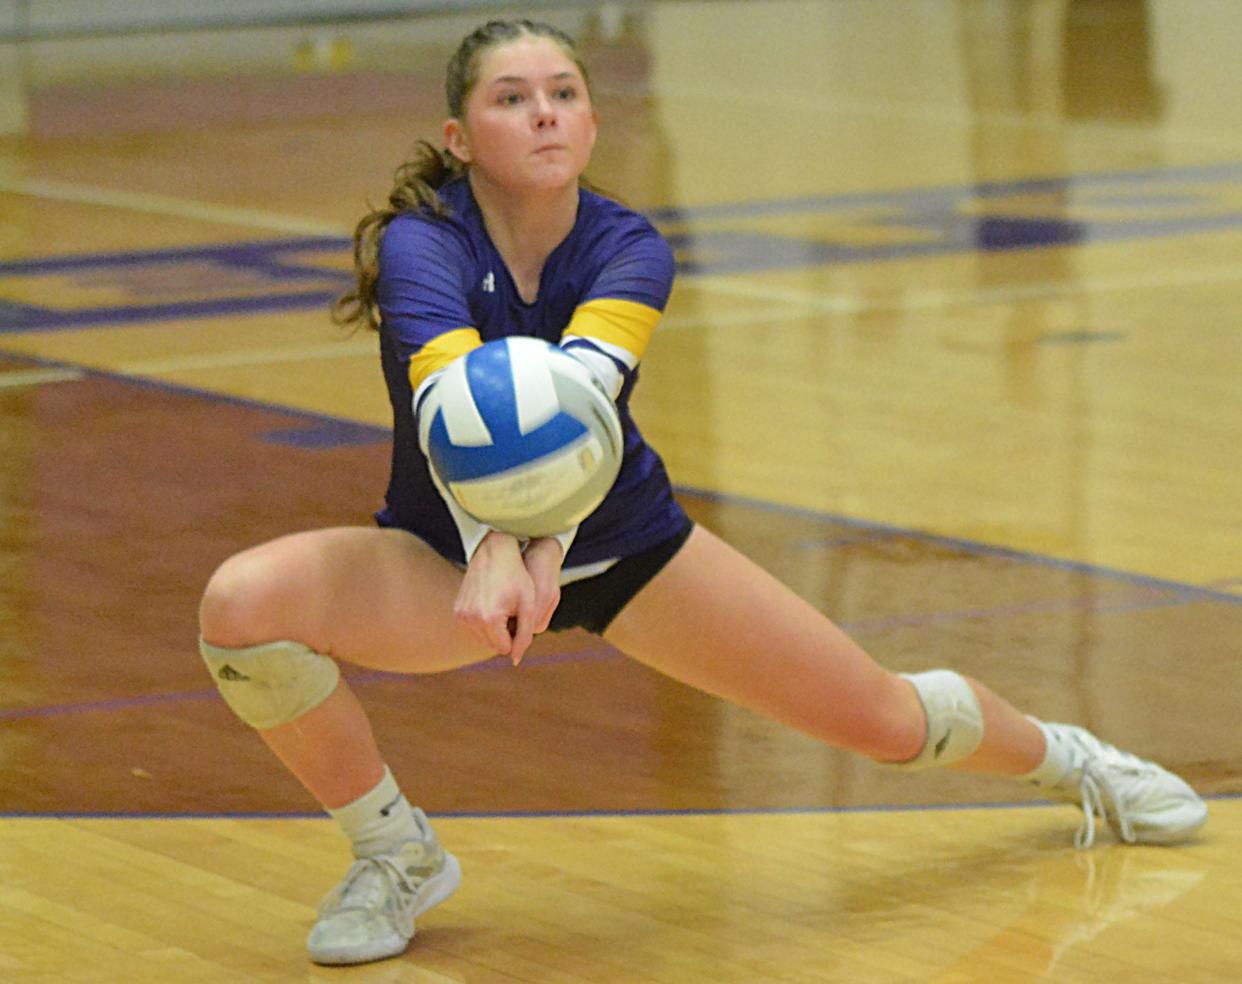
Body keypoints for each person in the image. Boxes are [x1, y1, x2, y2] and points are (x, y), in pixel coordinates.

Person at [196, 18, 1207, 968]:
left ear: (593, 122)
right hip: (445, 558)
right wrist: (493, 546)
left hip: (630, 548)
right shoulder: (425, 242)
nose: (544, 111)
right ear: (460, 137)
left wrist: (537, 548)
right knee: (242, 608)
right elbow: (453, 404)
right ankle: (396, 854)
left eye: (563, 92)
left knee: (886, 722)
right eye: (512, 98)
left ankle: (1072, 765)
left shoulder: (629, 245)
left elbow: (580, 406)